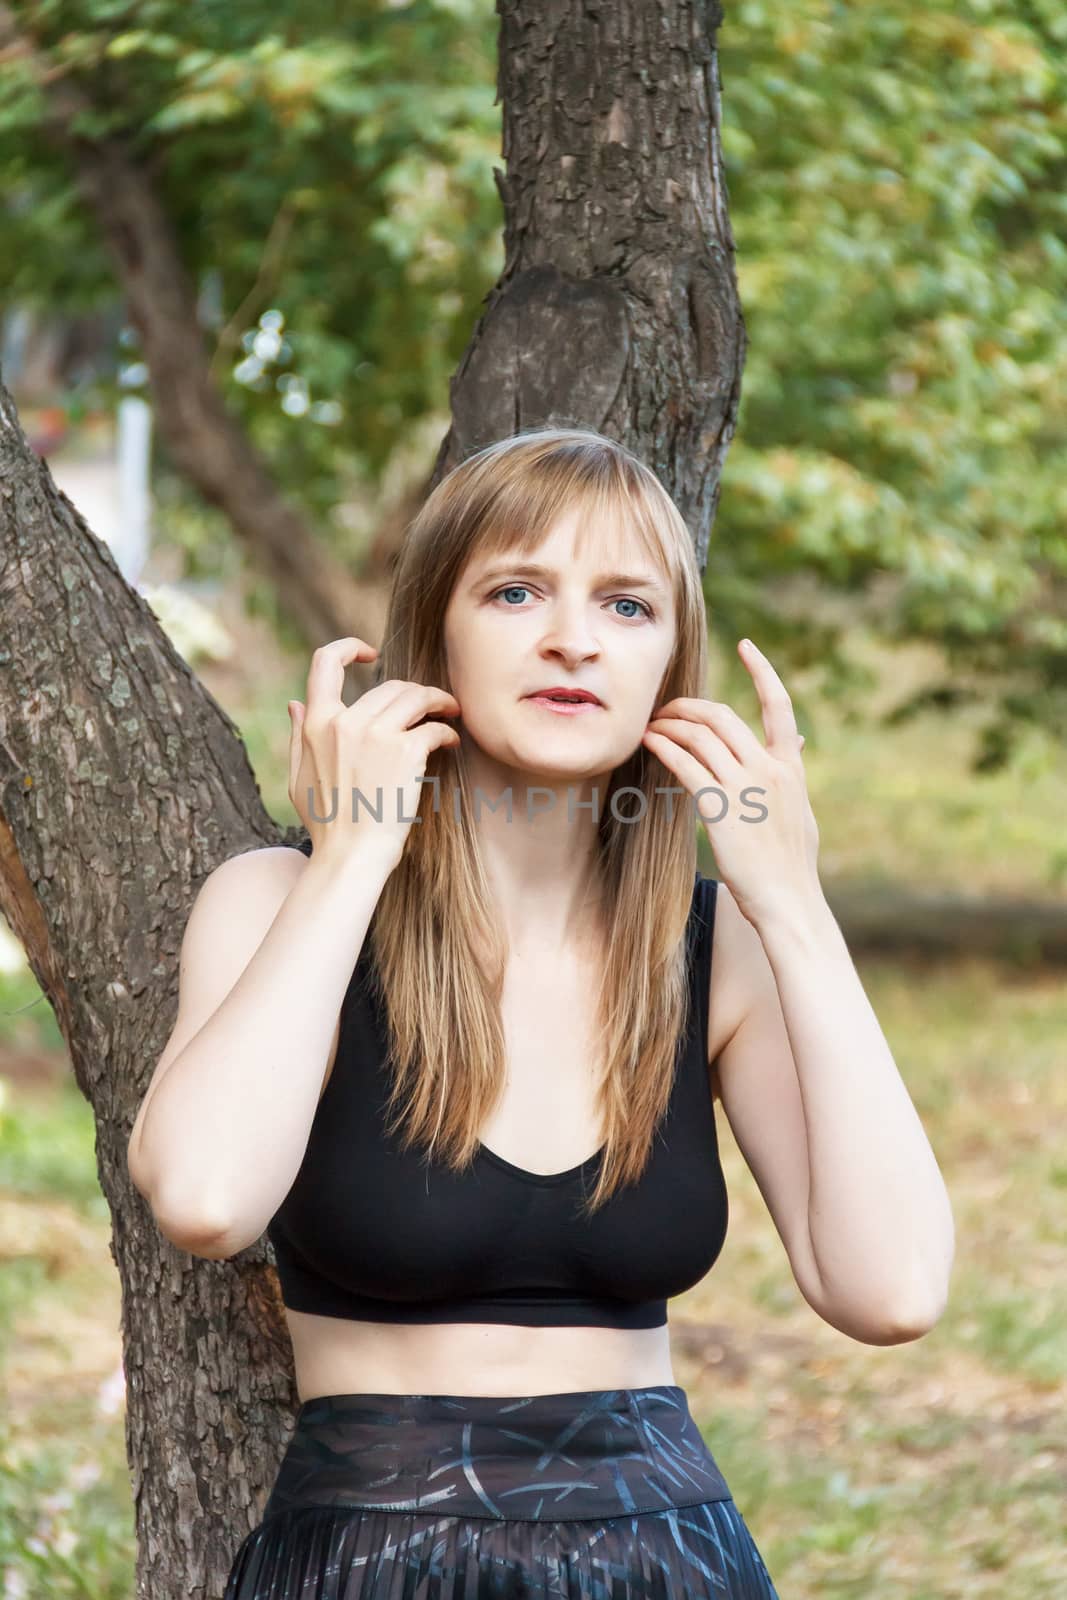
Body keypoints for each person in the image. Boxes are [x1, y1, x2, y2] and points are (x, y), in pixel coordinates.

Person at [129, 426, 946, 1596]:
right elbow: (206, 1200)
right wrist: (354, 854)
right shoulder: (278, 905)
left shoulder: (719, 953)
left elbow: (893, 1288)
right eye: (516, 590)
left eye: (626, 605)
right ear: (434, 635)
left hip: (667, 1556)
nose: (572, 637)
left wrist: (792, 905)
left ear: (670, 664)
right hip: (373, 1552)